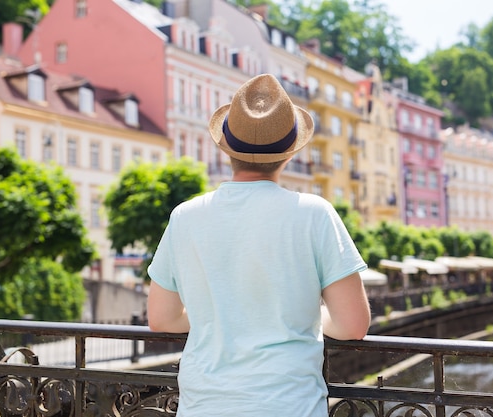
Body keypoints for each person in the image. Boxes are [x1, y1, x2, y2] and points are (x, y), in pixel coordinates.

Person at [147, 73, 371, 417]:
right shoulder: (314, 214)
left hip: (203, 406)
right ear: (288, 154)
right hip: (289, 406)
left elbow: (162, 319)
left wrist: (223, 314)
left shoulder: (185, 217)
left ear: (226, 150)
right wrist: (299, 316)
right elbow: (352, 325)